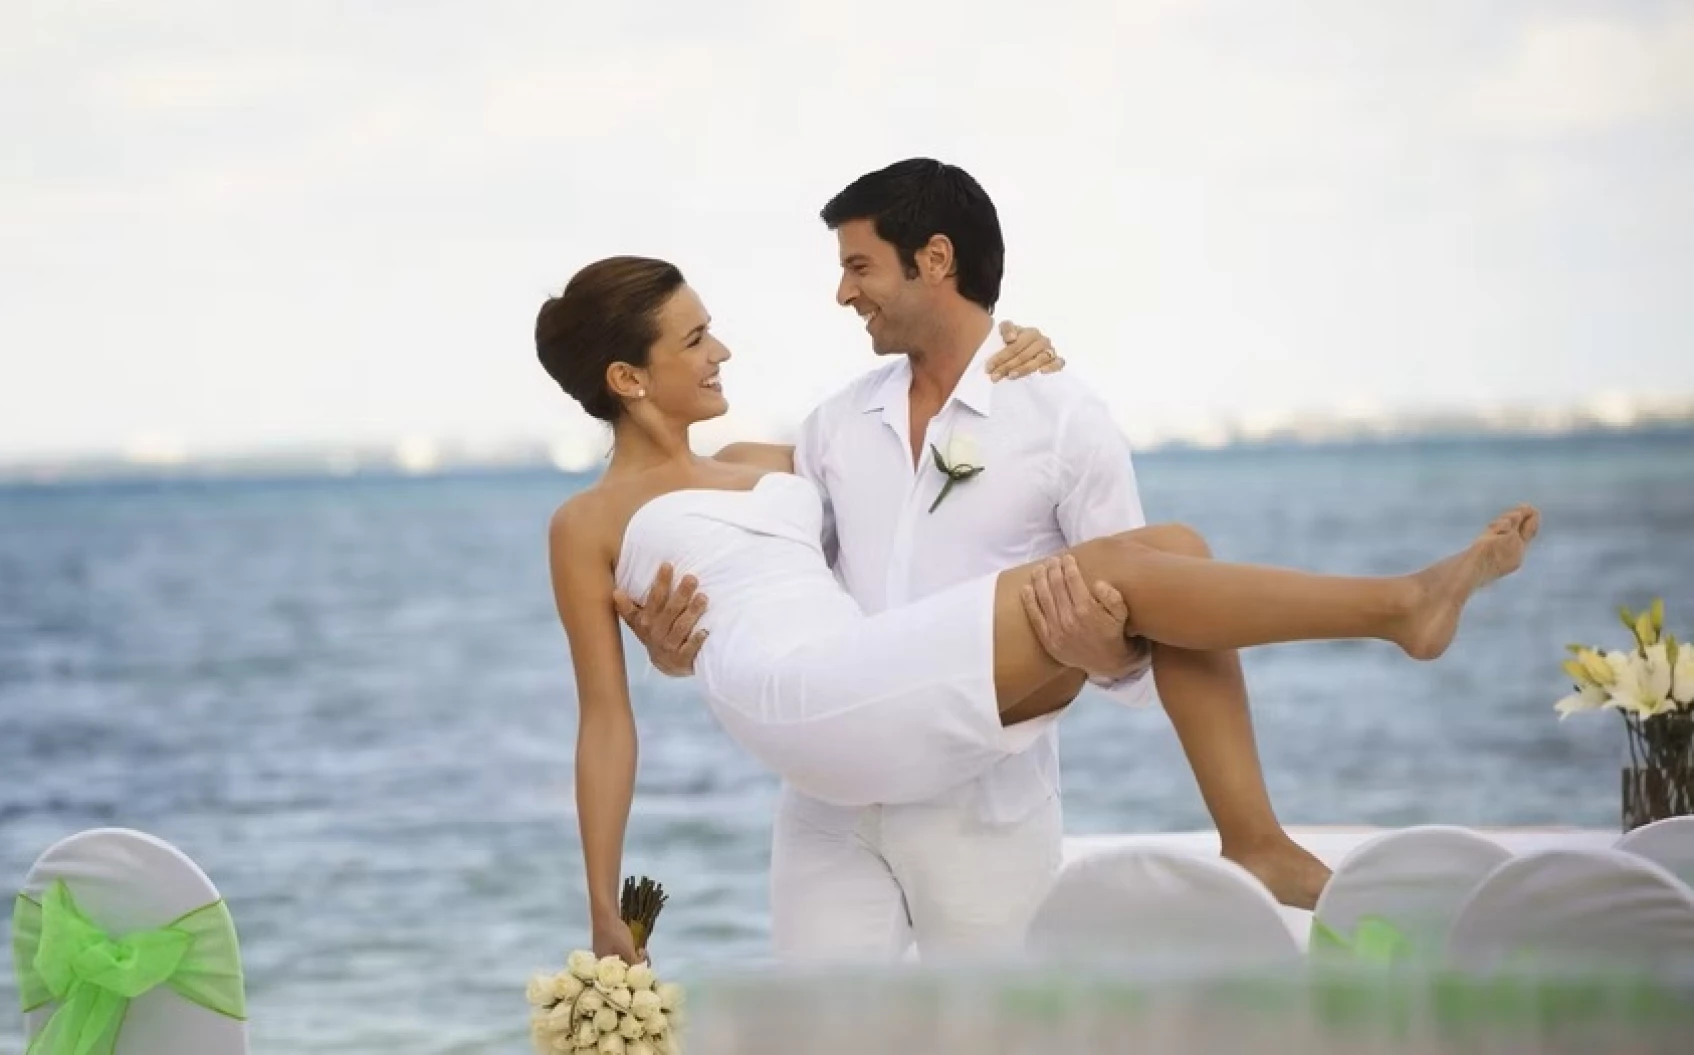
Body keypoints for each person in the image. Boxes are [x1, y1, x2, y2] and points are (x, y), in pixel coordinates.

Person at [538, 250, 1539, 966]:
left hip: (862, 673)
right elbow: (605, 721)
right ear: (628, 377)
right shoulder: (588, 522)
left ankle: (1251, 835)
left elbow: (903, 462)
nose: (722, 348)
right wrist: (601, 900)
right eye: (695, 336)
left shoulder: (763, 459)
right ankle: (1399, 606)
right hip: (802, 702)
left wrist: (1002, 355)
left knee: (1170, 553)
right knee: (1141, 574)